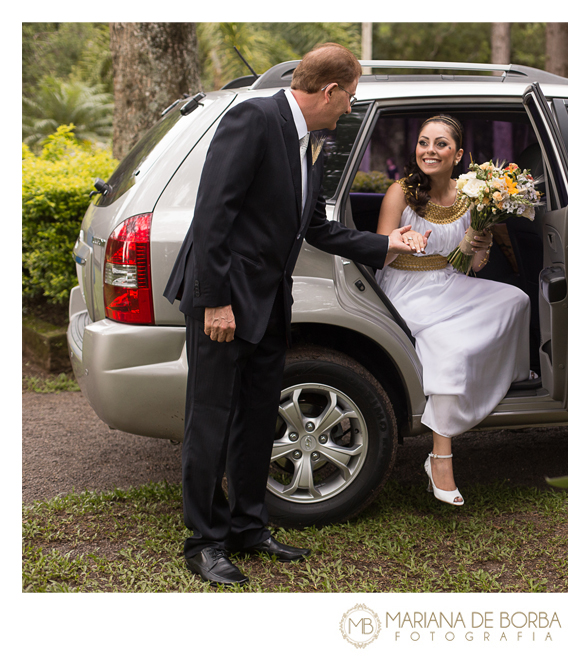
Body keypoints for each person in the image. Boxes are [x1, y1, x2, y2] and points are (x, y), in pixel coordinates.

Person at [163, 43, 428, 586]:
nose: (350, 108)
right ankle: (204, 542)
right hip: (226, 300)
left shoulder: (316, 143)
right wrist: (215, 300)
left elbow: (318, 229)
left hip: (270, 302)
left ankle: (248, 527)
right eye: (349, 96)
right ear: (328, 90)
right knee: (211, 421)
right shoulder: (252, 118)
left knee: (259, 418)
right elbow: (214, 214)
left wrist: (388, 246)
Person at [375, 115, 531, 506]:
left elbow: (472, 267)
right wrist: (400, 243)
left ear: (458, 155)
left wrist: (478, 242)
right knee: (448, 344)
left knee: (517, 299)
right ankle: (440, 456)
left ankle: (502, 374)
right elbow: (378, 253)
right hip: (405, 288)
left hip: (448, 282)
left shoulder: (469, 198)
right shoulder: (400, 193)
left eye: (440, 144)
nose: (429, 150)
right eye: (424, 142)